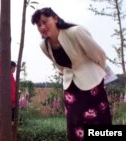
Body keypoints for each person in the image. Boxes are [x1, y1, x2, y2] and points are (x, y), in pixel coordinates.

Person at [31, 7, 112, 141]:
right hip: (71, 88)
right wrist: (64, 72)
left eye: (45, 21)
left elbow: (99, 55)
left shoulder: (76, 32)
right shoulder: (44, 45)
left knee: (98, 121)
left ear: (56, 18)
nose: (42, 26)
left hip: (92, 84)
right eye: (39, 25)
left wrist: (96, 73)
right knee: (75, 124)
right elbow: (57, 64)